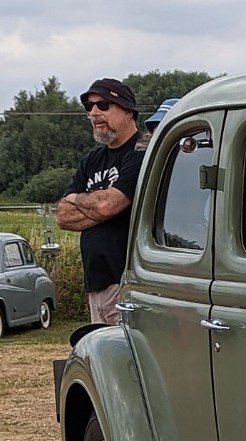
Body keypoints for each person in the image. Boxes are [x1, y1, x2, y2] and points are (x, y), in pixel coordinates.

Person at [56, 78, 144, 326]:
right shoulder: (92, 160)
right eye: (89, 106)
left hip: (126, 282)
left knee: (124, 359)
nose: (94, 113)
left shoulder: (141, 152)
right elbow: (63, 216)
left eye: (103, 105)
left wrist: (78, 199)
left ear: (128, 111)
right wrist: (99, 204)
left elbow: (109, 205)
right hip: (96, 282)